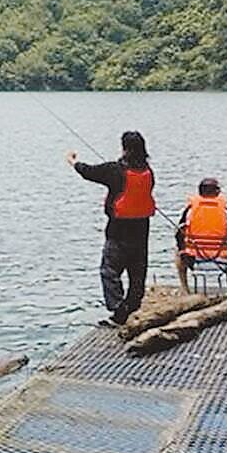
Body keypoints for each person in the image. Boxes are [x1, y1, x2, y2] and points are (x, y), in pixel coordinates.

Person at [66, 131, 155, 327]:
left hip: (118, 230)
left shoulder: (115, 170)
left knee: (109, 271)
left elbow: (88, 171)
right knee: (137, 273)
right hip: (142, 230)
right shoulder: (148, 171)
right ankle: (132, 307)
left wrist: (73, 161)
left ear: (125, 149)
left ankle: (118, 309)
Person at [174, 177, 227, 295]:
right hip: (223, 260)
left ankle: (185, 290)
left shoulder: (189, 211)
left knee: (177, 252)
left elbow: (179, 236)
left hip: (195, 261)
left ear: (199, 192)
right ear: (217, 192)